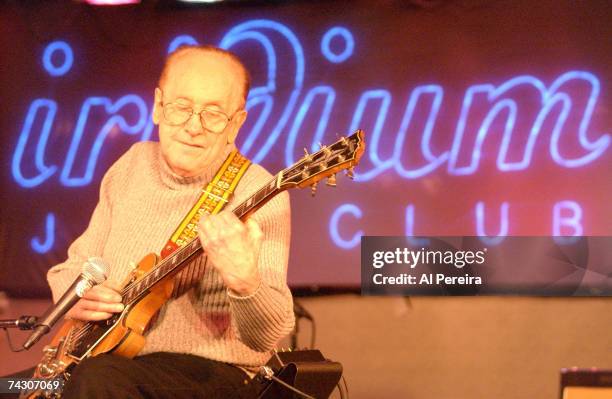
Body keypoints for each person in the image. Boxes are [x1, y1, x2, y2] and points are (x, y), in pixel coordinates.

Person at [44, 45, 295, 398]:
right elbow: (73, 267)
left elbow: (267, 336)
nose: (194, 126)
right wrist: (79, 295)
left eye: (212, 114)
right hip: (104, 358)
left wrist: (245, 281)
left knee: (97, 379)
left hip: (209, 373)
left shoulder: (258, 192)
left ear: (236, 123)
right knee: (14, 386)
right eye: (182, 108)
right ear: (159, 107)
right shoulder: (132, 164)